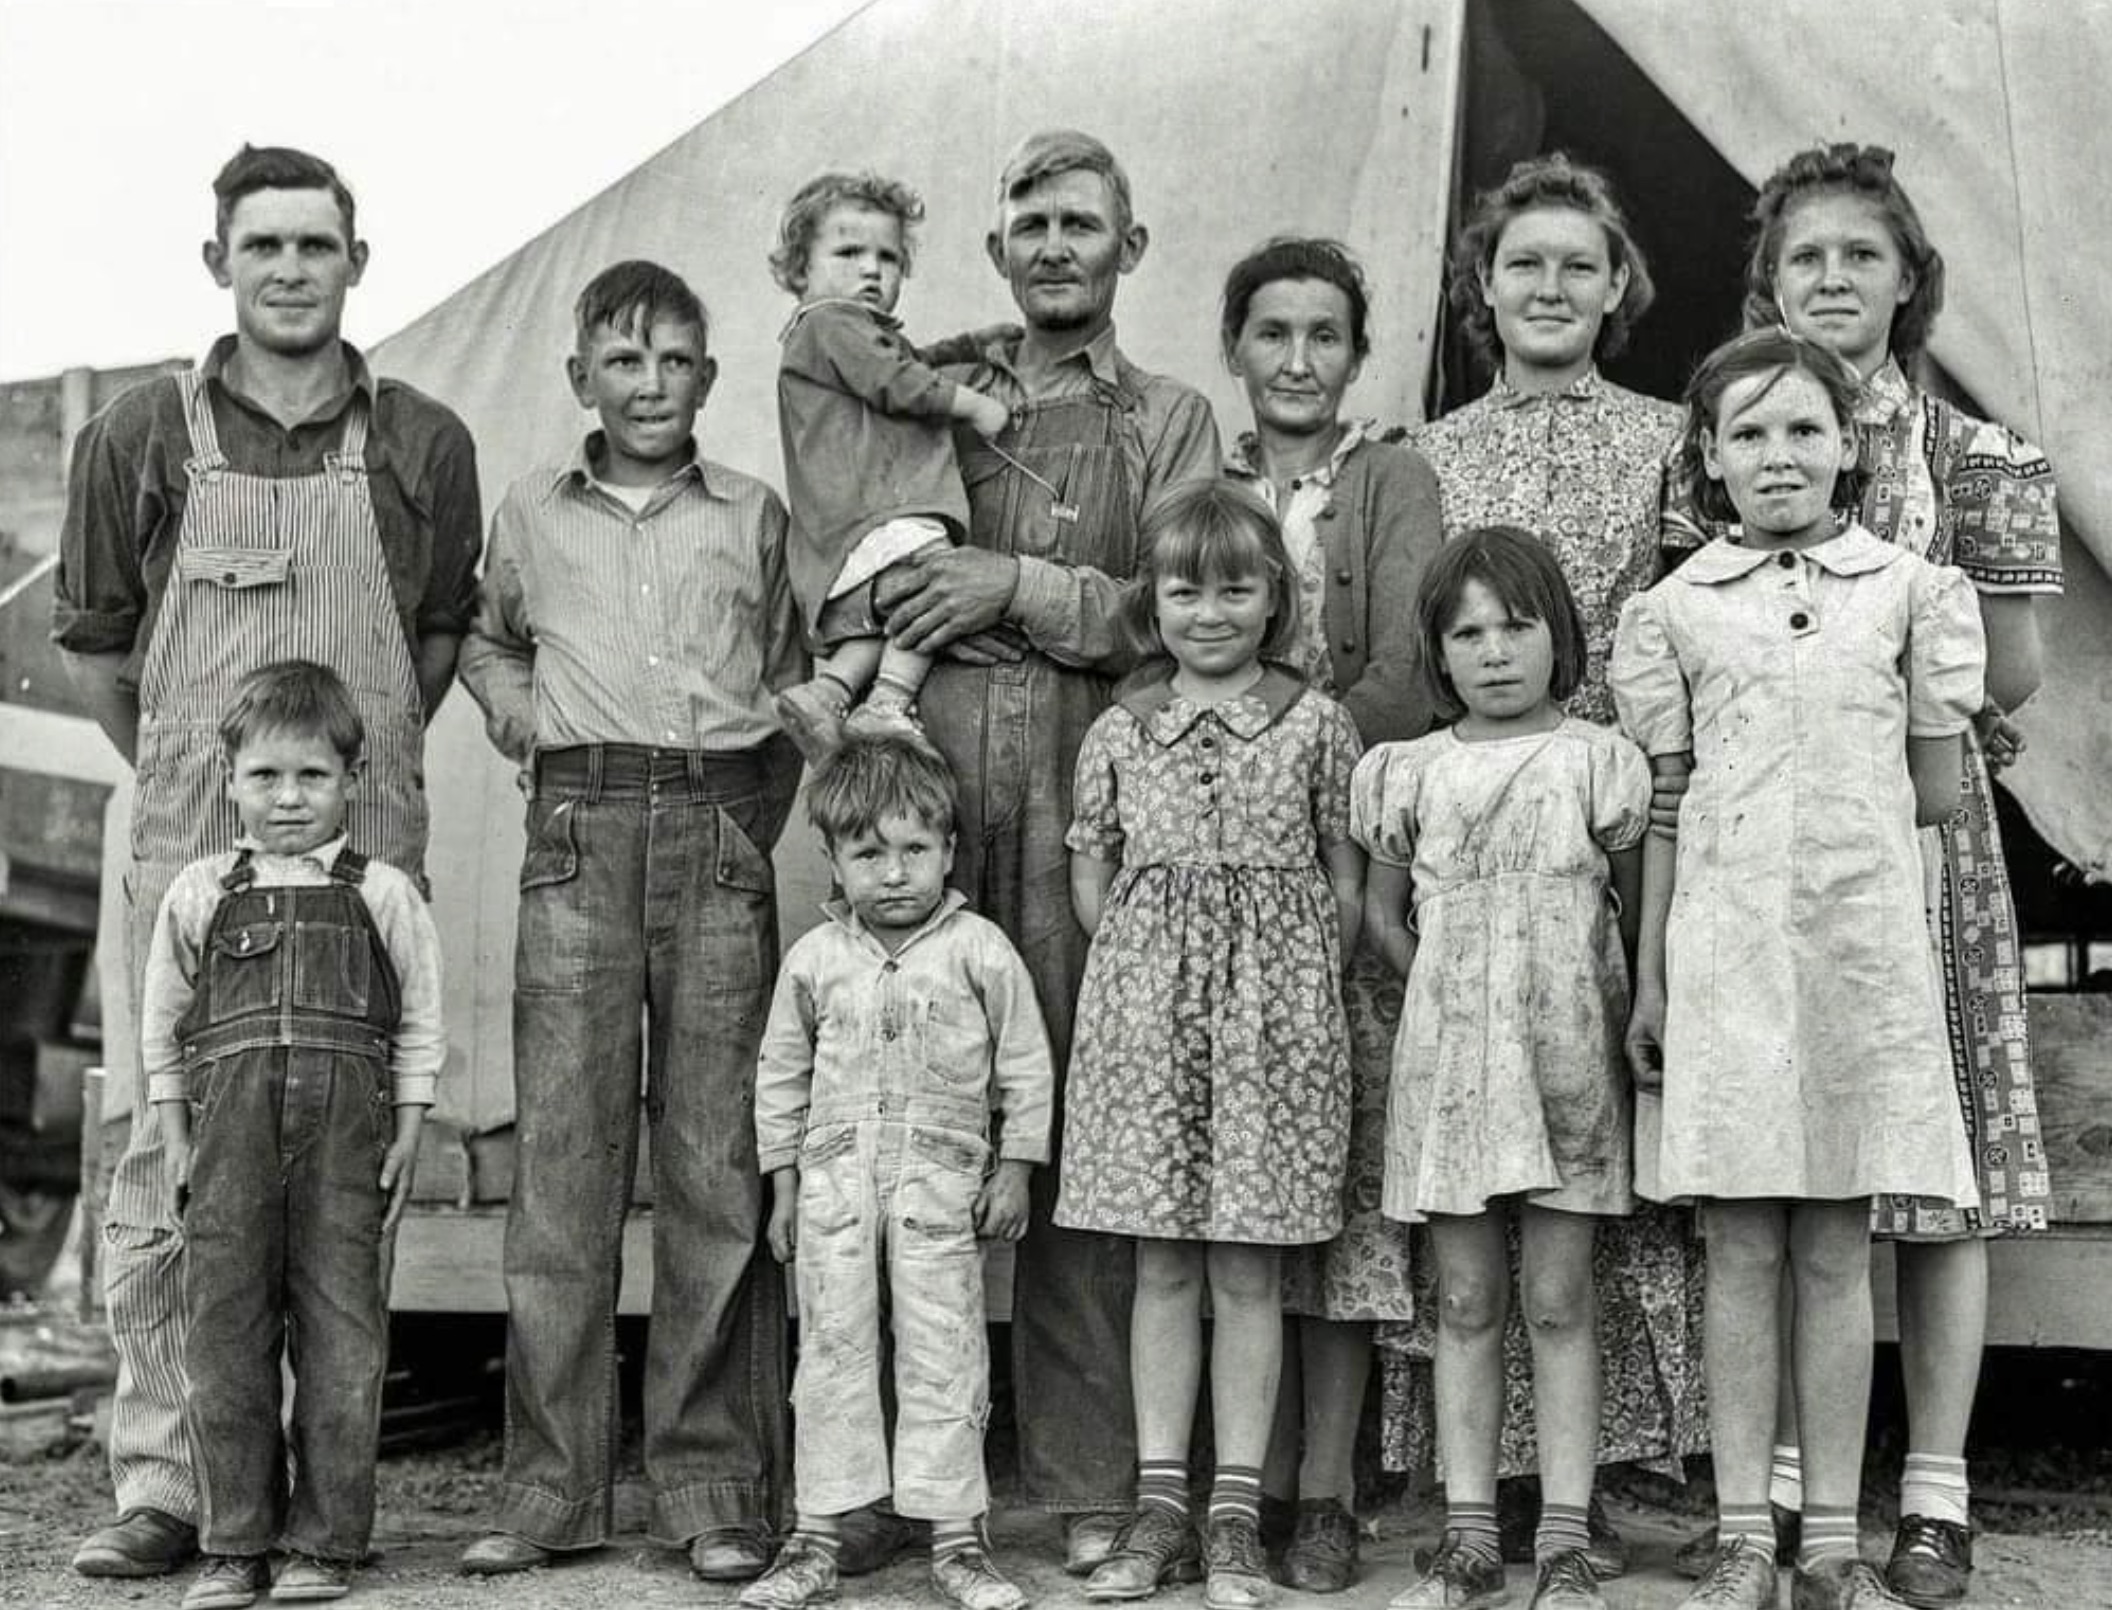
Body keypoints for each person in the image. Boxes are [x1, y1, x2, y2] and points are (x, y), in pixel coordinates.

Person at [53, 144, 480, 1581]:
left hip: (355, 855)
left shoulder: (424, 439)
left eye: (316, 244)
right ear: (217, 264)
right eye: (264, 245)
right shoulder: (136, 436)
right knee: (166, 1156)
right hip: (192, 829)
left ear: (359, 259)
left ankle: (316, 1506)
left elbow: (422, 653)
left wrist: (338, 792)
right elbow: (104, 654)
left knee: (337, 1166)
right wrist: (191, 767)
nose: (290, 268)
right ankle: (168, 1482)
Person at [1665, 143, 2062, 1609]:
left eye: (1861, 257)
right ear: (1770, 280)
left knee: (1932, 1172)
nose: (1831, 280)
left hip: (1927, 849)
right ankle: (1777, 1491)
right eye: (1804, 257)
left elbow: (2005, 679)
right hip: (1760, 861)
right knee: (1782, 1167)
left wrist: (1899, 746)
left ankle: (1937, 1492)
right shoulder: (1734, 434)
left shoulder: (1983, 460)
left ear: (1910, 282)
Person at [865, 127, 1222, 1575]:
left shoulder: (1170, 417)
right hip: (936, 756)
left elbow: (1188, 602)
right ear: (997, 245)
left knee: (1076, 1120)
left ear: (1128, 247)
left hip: (1092, 762)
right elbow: (853, 536)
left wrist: (1016, 580)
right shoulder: (933, 391)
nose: (1056, 243)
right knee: (915, 1108)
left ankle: (1089, 1473)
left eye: (1085, 221)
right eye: (1031, 221)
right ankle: (907, 1474)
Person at [1616, 328, 1987, 1610]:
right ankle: (1739, 1538)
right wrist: (1658, 981)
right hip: (1722, 959)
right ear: (1710, 461)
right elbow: (1666, 807)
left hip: (1852, 961)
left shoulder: (1909, 591)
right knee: (1736, 1247)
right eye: (1749, 434)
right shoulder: (1673, 611)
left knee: (1836, 1247)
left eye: (1804, 430)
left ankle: (1829, 1541)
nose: (1779, 456)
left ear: (1851, 447)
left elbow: (1934, 792)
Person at [455, 260, 801, 1581]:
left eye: (673, 361)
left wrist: (730, 829)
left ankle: (711, 1487)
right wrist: (521, 710)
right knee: (565, 1172)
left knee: (715, 1170)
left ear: (706, 379)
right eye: (623, 359)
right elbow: (486, 639)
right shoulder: (532, 514)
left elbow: (783, 681)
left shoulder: (750, 514)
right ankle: (551, 1491)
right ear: (581, 379)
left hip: (713, 832)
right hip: (577, 840)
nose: (649, 383)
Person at [1385, 152, 1699, 1568]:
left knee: (1591, 1191)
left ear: (1618, 284)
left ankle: (1612, 1477)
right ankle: (1472, 1493)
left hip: (1612, 807)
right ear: (1484, 286)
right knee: (1473, 1226)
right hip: (1471, 821)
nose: (1553, 286)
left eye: (1582, 263)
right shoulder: (1431, 451)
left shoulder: (1670, 434)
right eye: (1526, 263)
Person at [1058, 481, 1364, 1610]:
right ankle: (1160, 1504)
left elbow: (1343, 871)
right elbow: (1094, 866)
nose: (1211, 611)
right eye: (1185, 589)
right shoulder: (1122, 726)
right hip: (1146, 1024)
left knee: (1249, 1264)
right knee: (1163, 1263)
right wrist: (1153, 963)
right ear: (1156, 600)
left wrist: (1283, 982)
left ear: (1276, 595)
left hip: (1275, 1028)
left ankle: (1236, 1511)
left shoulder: (1315, 721)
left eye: (1238, 587)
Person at [1358, 528, 1650, 1610]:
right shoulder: (1406, 771)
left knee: (1561, 1295)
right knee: (1469, 1298)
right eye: (1466, 631)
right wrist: (1453, 982)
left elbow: (1629, 904)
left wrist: (1583, 1005)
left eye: (1517, 625)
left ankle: (1566, 1538)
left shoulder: (1596, 760)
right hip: (1452, 1070)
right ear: (1438, 653)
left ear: (1559, 635)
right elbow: (1384, 918)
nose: (1493, 651)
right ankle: (1471, 1536)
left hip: (1568, 1062)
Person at [1216, 236, 1444, 1593]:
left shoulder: (1391, 477)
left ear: (1357, 354)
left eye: (1323, 335)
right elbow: (1156, 632)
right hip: (1219, 883)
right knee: (1239, 1181)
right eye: (1272, 333)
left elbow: (1407, 674)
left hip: (1344, 858)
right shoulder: (1203, 481)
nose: (1297, 359)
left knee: (1342, 1192)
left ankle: (1324, 1490)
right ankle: (1224, 1482)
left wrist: (1278, 756)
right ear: (1236, 346)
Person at [141, 661, 444, 1610]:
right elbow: (163, 1026)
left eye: (312, 776)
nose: (288, 798)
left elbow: (422, 1024)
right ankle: (235, 1543)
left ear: (350, 781)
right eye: (266, 776)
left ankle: (325, 1544)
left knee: (343, 1343)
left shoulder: (383, 892)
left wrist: (408, 1131)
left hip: (346, 1148)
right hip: (225, 1145)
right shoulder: (198, 891)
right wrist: (178, 1140)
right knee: (226, 1341)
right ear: (228, 779)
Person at [742, 736, 1053, 1610]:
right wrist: (784, 1188)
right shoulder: (814, 960)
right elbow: (781, 1075)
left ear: (949, 851)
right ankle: (816, 1537)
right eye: (868, 853)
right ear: (833, 861)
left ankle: (957, 1540)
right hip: (835, 1186)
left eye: (915, 849)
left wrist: (1018, 1168)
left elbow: (1024, 1066)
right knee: (833, 1353)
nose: (893, 873)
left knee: (945, 1351)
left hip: (940, 1188)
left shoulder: (978, 951)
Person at [766, 171, 1015, 762]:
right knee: (933, 589)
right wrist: (974, 404)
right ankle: (887, 703)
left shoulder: (831, 336)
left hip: (848, 528)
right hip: (884, 512)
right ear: (801, 270)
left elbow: (903, 362)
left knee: (882, 621)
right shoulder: (832, 323)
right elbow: (896, 380)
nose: (872, 270)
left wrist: (970, 345)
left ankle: (828, 691)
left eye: (889, 257)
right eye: (849, 252)